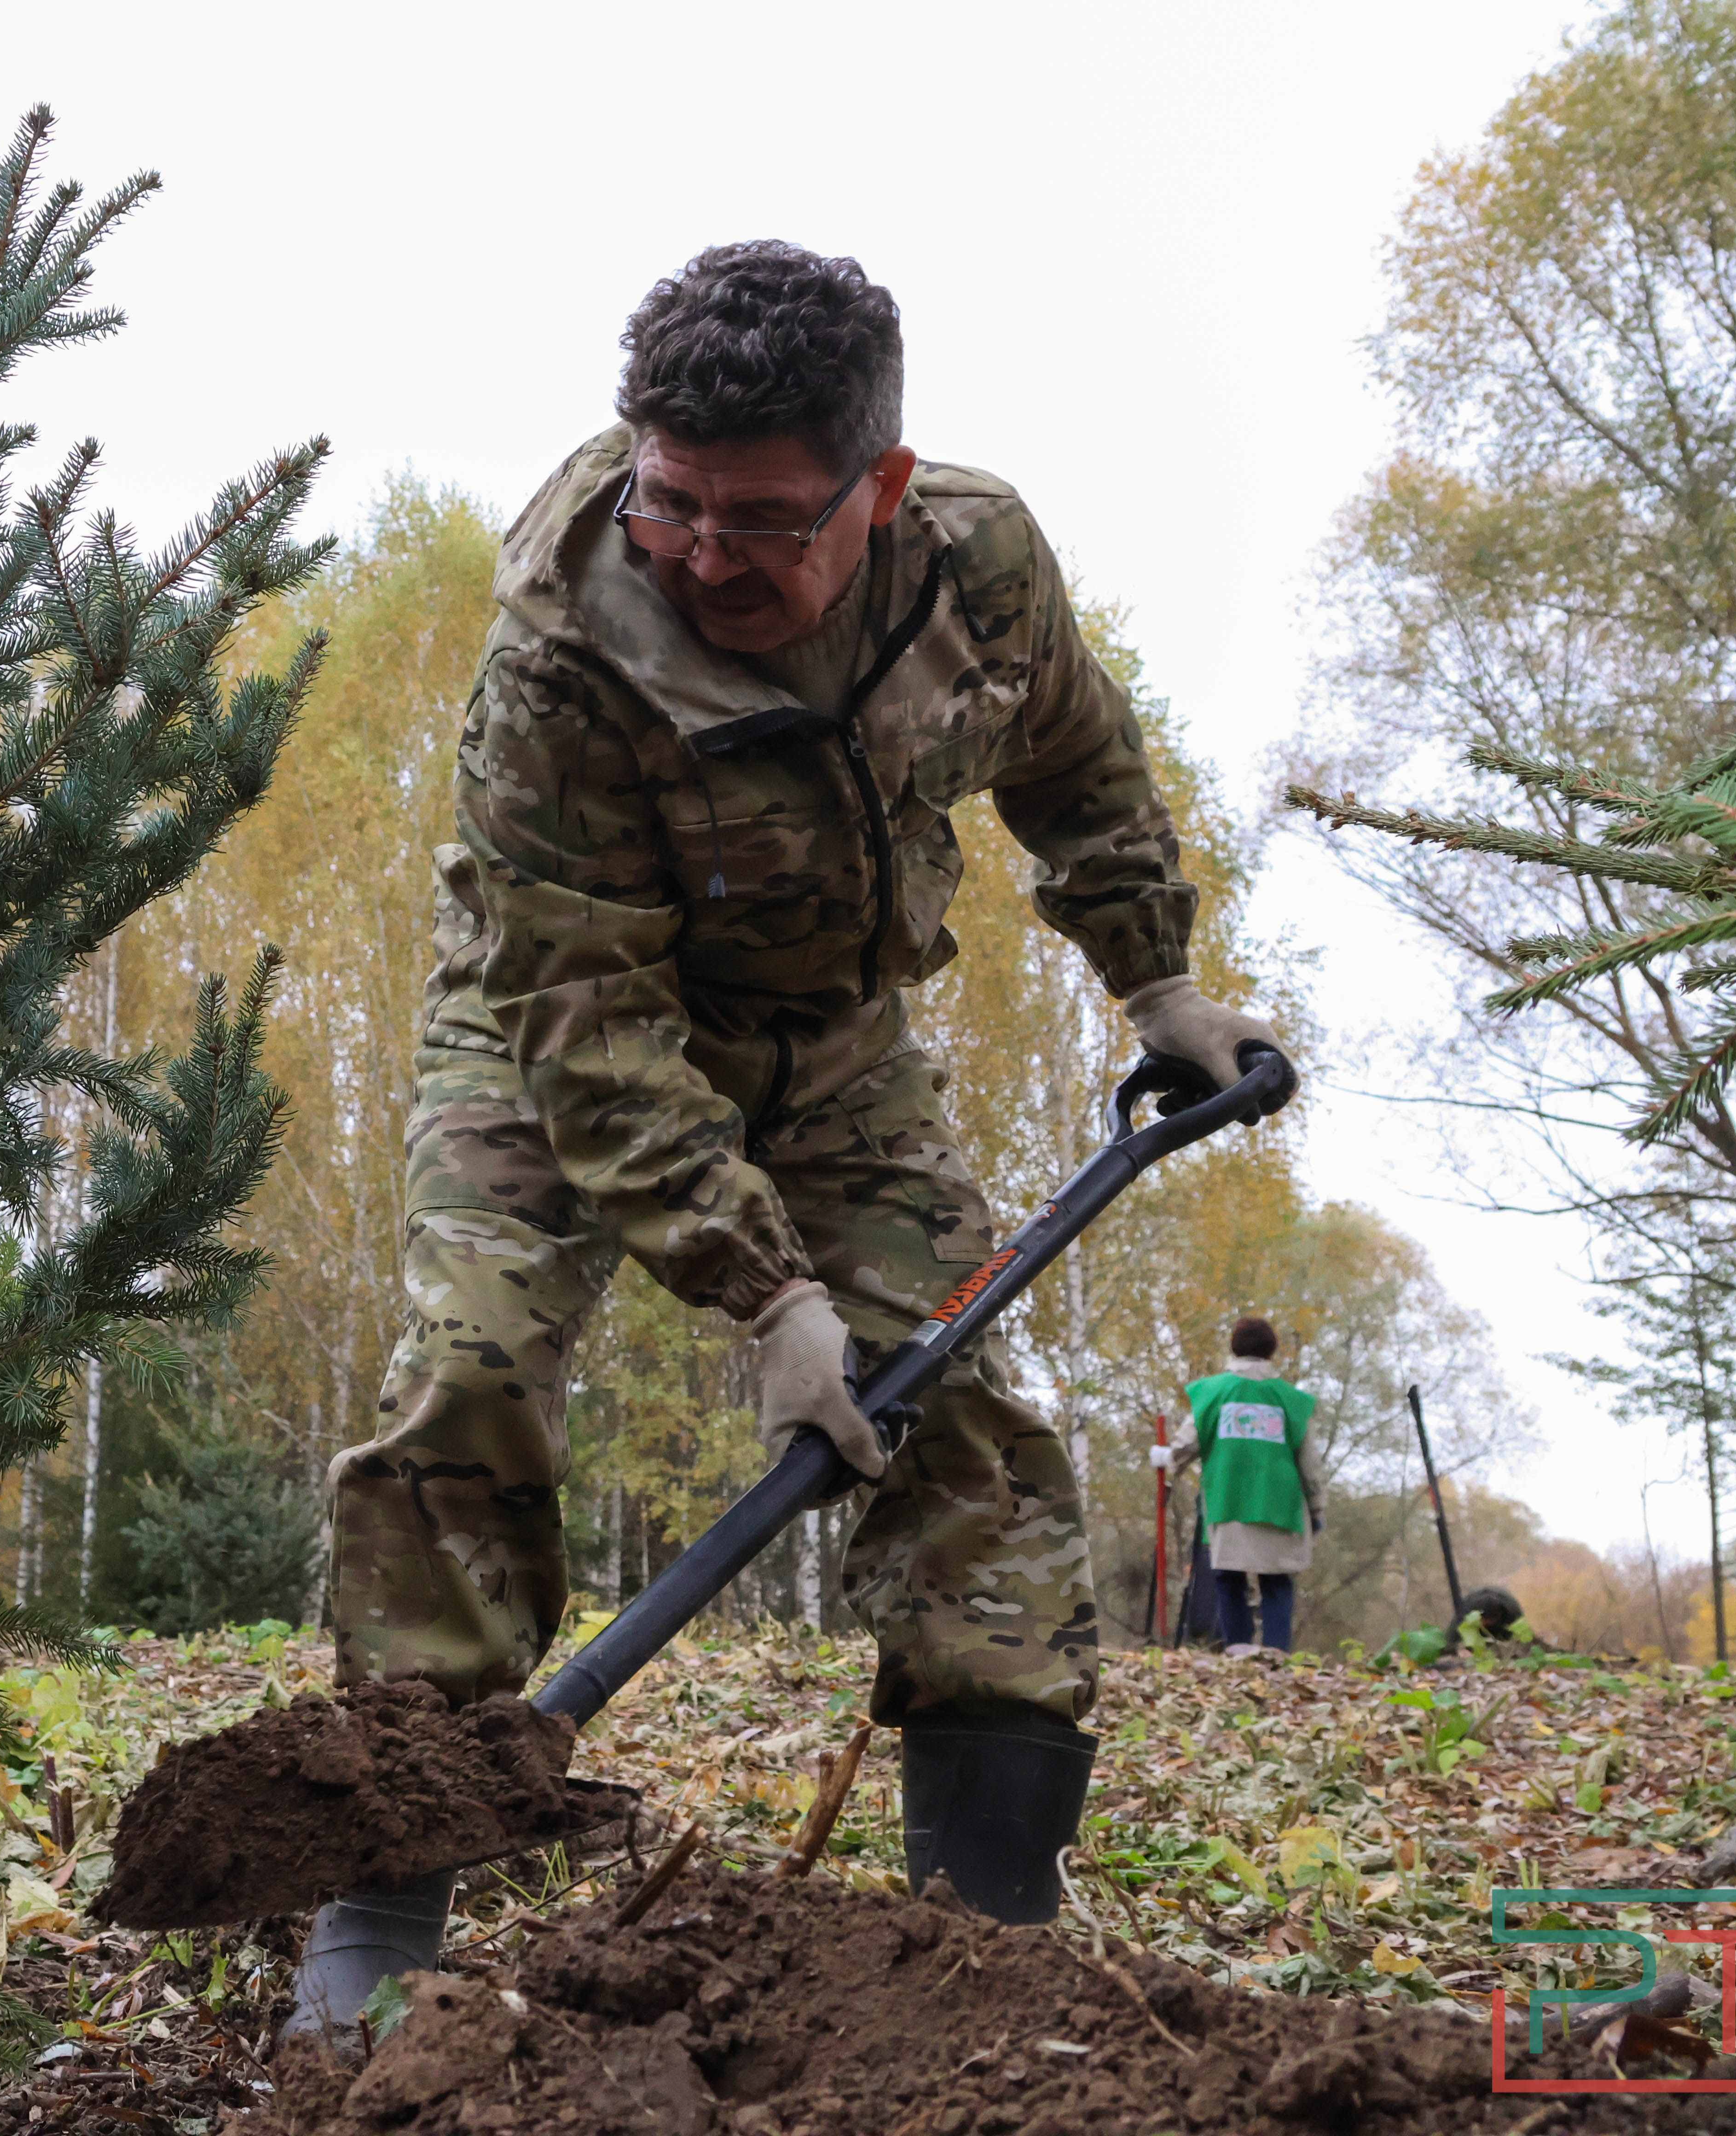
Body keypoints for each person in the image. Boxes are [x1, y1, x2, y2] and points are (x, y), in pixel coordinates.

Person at [287, 241, 1292, 2042]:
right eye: (672, 499)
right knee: (471, 1374)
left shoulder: (977, 567)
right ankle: (384, 1895)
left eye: (756, 520)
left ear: (878, 489)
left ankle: (985, 1921)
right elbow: (584, 1014)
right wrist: (763, 1298)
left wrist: (1156, 985)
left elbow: (1079, 760)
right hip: (549, 1024)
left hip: (831, 1035)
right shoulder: (565, 632)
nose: (697, 551)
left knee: (959, 1404)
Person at [1173, 1317, 1321, 1654]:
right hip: (1280, 1507)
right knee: (1277, 1583)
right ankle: (1277, 1659)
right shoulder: (1292, 1400)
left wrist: (1168, 1463)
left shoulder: (1212, 1392)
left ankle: (1239, 1656)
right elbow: (1311, 1465)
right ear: (1272, 1350)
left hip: (1228, 1503)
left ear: (1234, 1347)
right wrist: (1317, 1507)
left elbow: (1184, 1447)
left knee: (1229, 1580)